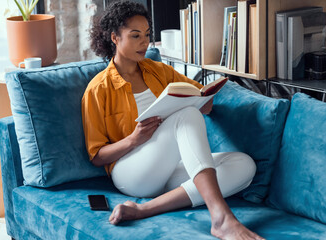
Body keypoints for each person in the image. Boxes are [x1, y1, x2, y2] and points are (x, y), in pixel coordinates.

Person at [83, 1, 264, 239]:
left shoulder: (159, 70)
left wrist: (203, 101)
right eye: (135, 35)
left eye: (147, 35)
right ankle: (221, 218)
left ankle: (144, 209)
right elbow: (96, 157)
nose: (144, 42)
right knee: (185, 116)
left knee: (243, 164)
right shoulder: (98, 89)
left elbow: (199, 94)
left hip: (168, 167)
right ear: (115, 37)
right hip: (130, 171)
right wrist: (134, 140)